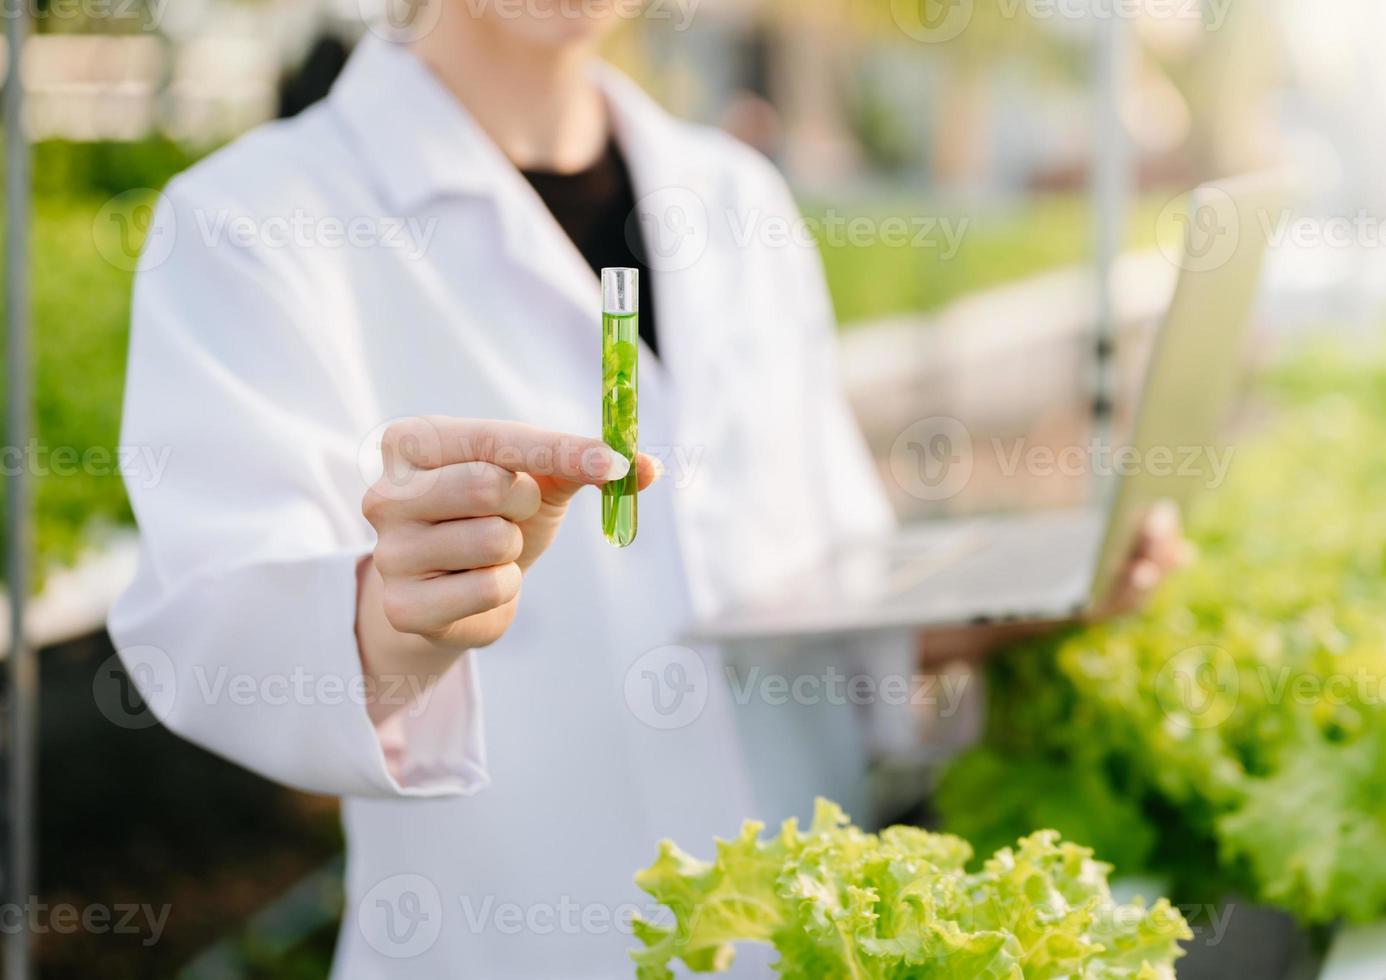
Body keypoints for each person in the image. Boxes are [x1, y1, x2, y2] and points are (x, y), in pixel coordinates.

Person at [107, 4, 1187, 977]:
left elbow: (823, 597)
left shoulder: (735, 198)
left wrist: (1019, 601)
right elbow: (213, 623)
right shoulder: (253, 219)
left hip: (810, 942)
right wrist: (395, 613)